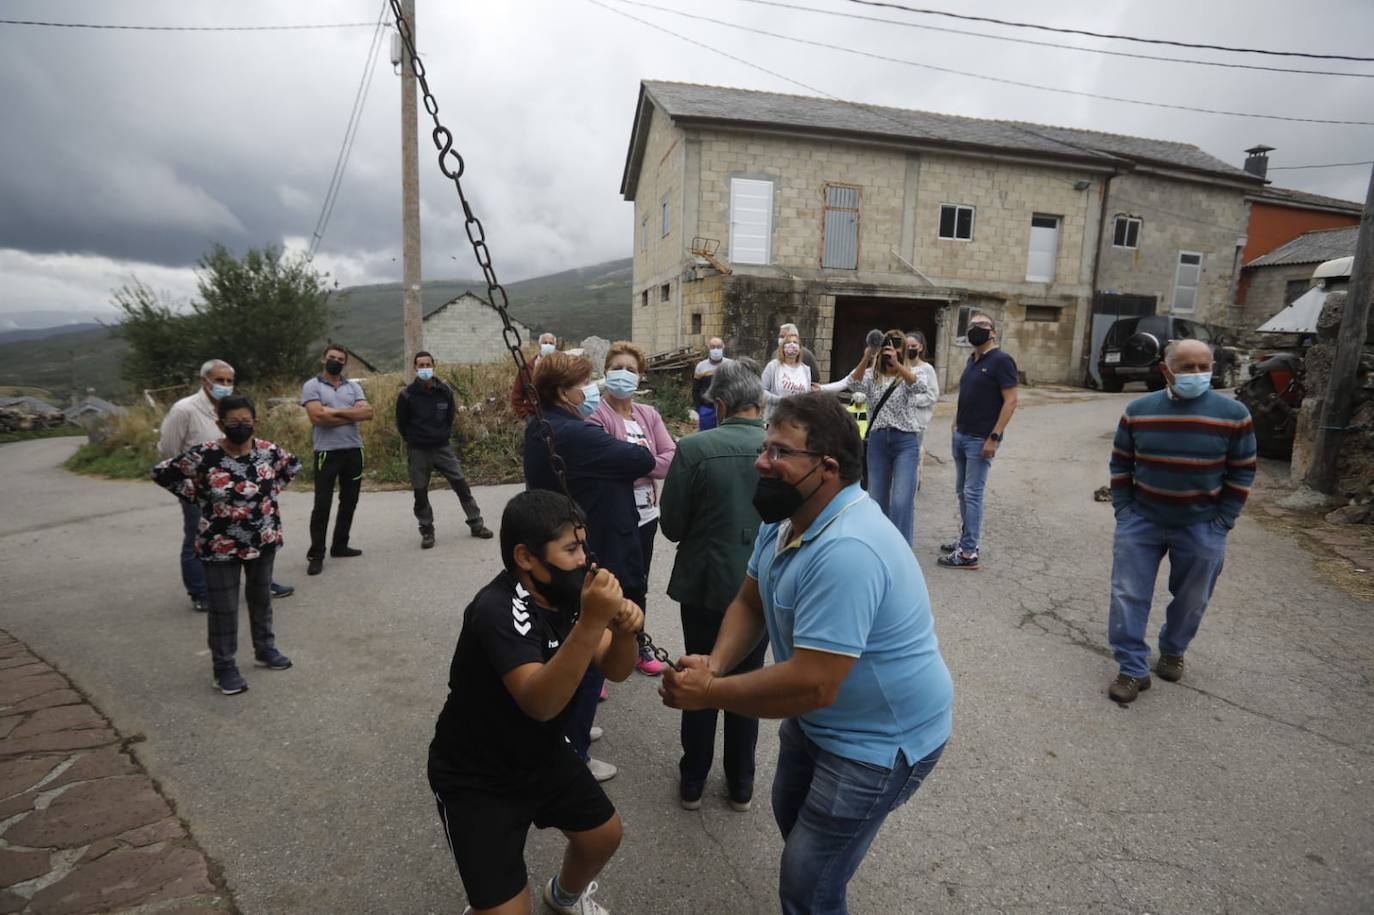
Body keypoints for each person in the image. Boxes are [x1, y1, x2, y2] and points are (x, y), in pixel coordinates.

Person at [660, 393, 953, 915]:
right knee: (793, 818)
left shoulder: (848, 550)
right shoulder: (786, 519)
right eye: (764, 446)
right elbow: (749, 602)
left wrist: (710, 693)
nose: (760, 461)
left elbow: (814, 683)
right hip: (821, 722)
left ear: (828, 468)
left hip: (879, 742)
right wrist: (717, 663)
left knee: (807, 884)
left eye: (778, 452)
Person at [427, 490, 643, 915]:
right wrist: (595, 620)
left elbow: (616, 669)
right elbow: (539, 702)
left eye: (584, 546)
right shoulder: (497, 608)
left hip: (540, 755)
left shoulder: (570, 597)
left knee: (604, 835)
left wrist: (624, 633)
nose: (585, 559)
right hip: (476, 775)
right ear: (526, 558)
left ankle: (564, 895)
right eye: (570, 549)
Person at [524, 352, 655, 783]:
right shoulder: (574, 433)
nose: (592, 391)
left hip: (570, 545)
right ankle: (574, 754)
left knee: (573, 642)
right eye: (585, 384)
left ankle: (575, 730)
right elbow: (641, 460)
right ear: (563, 392)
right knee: (585, 647)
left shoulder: (545, 425)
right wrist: (636, 444)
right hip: (588, 550)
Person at [1105, 339, 1257, 704]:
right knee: (1128, 594)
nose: (1197, 374)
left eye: (1203, 366)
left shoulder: (1234, 415)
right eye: (1187, 367)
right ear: (1166, 370)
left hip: (1202, 524)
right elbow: (1121, 464)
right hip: (1142, 520)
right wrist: (1124, 510)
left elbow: (1242, 471)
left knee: (1192, 598)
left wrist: (1224, 521)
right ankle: (1132, 668)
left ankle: (1173, 649)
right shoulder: (1138, 411)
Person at [659, 358, 769, 812]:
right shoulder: (783, 448)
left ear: (720, 404)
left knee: (699, 673)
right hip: (761, 587)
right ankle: (741, 784)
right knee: (747, 681)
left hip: (705, 582)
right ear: (760, 402)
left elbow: (671, 525)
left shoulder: (694, 448)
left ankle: (692, 781)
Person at [152, 395, 301, 696]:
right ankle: (224, 666)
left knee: (261, 599)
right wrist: (198, 498)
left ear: (255, 422)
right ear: (219, 424)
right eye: (233, 422)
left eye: (246, 421)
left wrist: (267, 497)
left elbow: (290, 468)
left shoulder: (268, 451)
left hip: (263, 540)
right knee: (224, 609)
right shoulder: (204, 455)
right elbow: (163, 473)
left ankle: (265, 650)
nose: (241, 426)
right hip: (220, 545)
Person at [158, 359, 294, 609]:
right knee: (198, 538)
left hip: (245, 491)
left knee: (253, 535)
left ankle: (263, 584)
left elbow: (285, 467)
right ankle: (201, 593)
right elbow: (168, 452)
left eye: (229, 381)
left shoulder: (236, 409)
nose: (225, 385)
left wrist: (268, 490)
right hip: (207, 490)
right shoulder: (184, 410)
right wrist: (194, 491)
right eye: (219, 380)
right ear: (204, 380)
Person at [587, 341, 676, 677]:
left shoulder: (648, 414)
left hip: (646, 515)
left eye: (630, 370)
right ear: (605, 372)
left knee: (637, 583)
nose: (623, 375)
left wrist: (632, 464)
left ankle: (637, 645)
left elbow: (671, 459)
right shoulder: (596, 414)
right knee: (606, 584)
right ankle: (598, 655)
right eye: (617, 368)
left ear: (641, 377)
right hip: (610, 516)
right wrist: (642, 462)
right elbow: (601, 463)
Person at [843, 328, 939, 545]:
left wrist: (897, 365)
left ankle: (901, 548)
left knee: (901, 500)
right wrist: (868, 356)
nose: (891, 351)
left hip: (905, 441)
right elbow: (853, 385)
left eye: (897, 347)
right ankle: (879, 544)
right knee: (877, 499)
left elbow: (920, 387)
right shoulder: (871, 376)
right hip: (877, 441)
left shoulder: (913, 373)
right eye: (888, 347)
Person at [938, 312, 1018, 570]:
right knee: (963, 492)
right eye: (972, 325)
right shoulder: (972, 359)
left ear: (993, 331)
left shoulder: (1002, 360)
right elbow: (968, 395)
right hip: (961, 435)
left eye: (981, 325)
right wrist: (955, 422)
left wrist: (994, 437)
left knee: (972, 494)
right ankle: (966, 539)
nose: (975, 329)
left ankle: (968, 553)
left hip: (980, 439)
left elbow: (1011, 400)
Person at [396, 351, 493, 549]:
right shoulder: (407, 395)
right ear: (415, 368)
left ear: (434, 365)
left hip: (442, 448)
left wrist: (442, 435)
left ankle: (476, 523)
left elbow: (450, 417)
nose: (424, 368)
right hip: (418, 451)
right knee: (420, 492)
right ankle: (427, 530)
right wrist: (415, 440)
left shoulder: (445, 391)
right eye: (421, 365)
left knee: (461, 485)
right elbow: (402, 423)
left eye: (427, 364)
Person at [301, 344, 375, 576]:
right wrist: (350, 414)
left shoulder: (353, 386)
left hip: (354, 451)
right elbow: (316, 417)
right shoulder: (311, 386)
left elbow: (368, 413)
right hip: (326, 452)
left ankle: (340, 545)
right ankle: (317, 554)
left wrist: (331, 412)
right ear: (323, 359)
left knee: (349, 501)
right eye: (332, 357)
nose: (336, 361)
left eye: (340, 359)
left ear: (345, 363)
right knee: (322, 505)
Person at [761, 331, 845, 424]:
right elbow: (761, 391)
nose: (792, 345)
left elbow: (807, 393)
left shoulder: (805, 370)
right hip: (776, 419)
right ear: (782, 348)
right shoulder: (773, 366)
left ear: (800, 349)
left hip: (798, 420)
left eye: (795, 342)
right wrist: (781, 401)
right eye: (788, 342)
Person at [511, 332, 559, 420]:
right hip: (534, 416)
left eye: (551, 343)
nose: (548, 345)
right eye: (545, 343)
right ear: (539, 345)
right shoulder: (526, 369)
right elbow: (516, 396)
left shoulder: (561, 367)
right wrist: (526, 416)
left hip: (556, 415)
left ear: (555, 346)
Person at [691, 337, 726, 431]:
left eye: (718, 347)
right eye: (713, 347)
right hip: (707, 409)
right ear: (709, 348)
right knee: (707, 437)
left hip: (727, 410)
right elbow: (695, 389)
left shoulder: (730, 365)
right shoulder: (701, 366)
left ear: (723, 347)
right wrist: (699, 408)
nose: (716, 350)